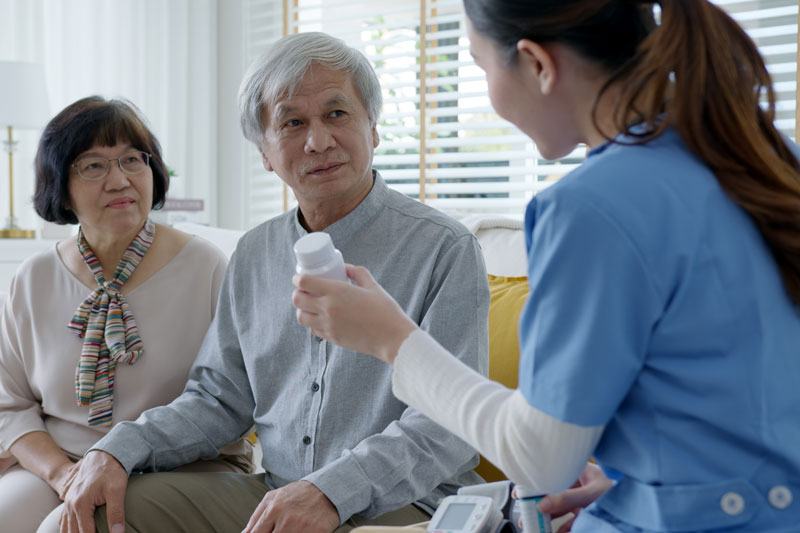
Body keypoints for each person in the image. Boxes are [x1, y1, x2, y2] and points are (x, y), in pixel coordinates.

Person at [292, 1, 800, 531]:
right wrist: (646, 484)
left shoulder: (593, 208)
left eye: (482, 66)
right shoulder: (769, 157)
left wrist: (392, 340)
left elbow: (539, 457)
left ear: (537, 64)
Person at [61, 33, 489, 533]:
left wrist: (331, 491)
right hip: (276, 494)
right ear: (265, 153)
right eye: (292, 122)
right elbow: (218, 400)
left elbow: (447, 424)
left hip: (407, 505)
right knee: (104, 508)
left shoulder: (444, 247)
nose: (318, 141)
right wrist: (115, 449)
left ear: (372, 128)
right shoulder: (255, 252)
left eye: (337, 114)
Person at [0, 96, 253, 533]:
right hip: (64, 463)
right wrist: (63, 474)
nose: (119, 181)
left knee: (66, 528)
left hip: (181, 467)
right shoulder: (34, 278)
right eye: (93, 165)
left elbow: (236, 399)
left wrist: (115, 459)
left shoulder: (206, 267)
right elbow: (10, 405)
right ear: (59, 185)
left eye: (132, 160)